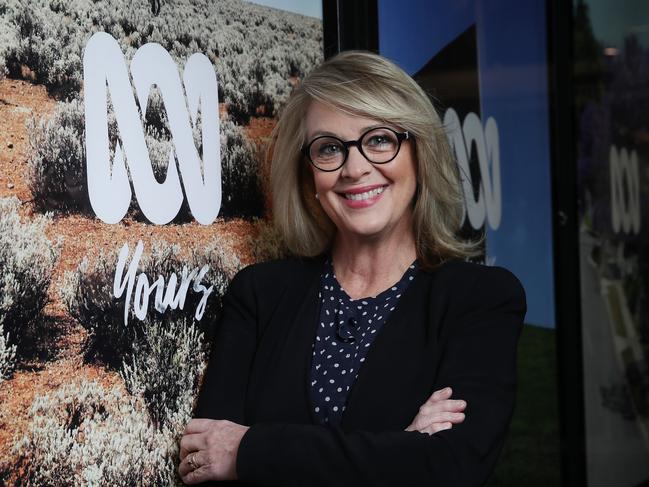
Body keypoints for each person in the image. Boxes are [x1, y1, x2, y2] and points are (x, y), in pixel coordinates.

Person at [178, 50, 526, 486]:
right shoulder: (259, 296)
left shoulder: (481, 299)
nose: (355, 168)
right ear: (310, 177)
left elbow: (449, 468)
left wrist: (250, 450)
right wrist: (400, 446)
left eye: (379, 139)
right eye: (329, 148)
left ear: (418, 152)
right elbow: (204, 463)